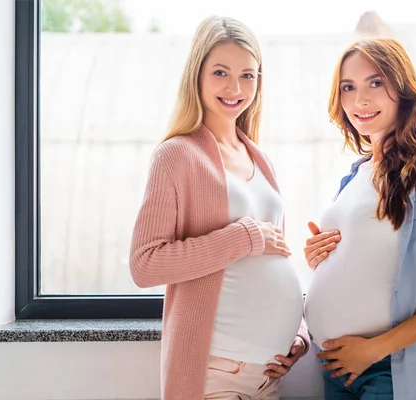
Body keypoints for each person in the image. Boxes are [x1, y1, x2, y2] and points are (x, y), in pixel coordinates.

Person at [129, 15, 309, 400]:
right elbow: (145, 264)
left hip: (269, 375)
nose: (235, 87)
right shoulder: (177, 155)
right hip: (216, 373)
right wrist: (241, 236)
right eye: (221, 73)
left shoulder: (260, 158)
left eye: (248, 75)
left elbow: (276, 255)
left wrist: (297, 333)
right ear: (197, 74)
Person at [303, 37, 416, 400]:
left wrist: (374, 349)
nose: (361, 100)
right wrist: (321, 259)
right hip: (336, 369)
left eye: (376, 83)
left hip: (395, 372)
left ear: (402, 88)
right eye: (348, 87)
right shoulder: (353, 176)